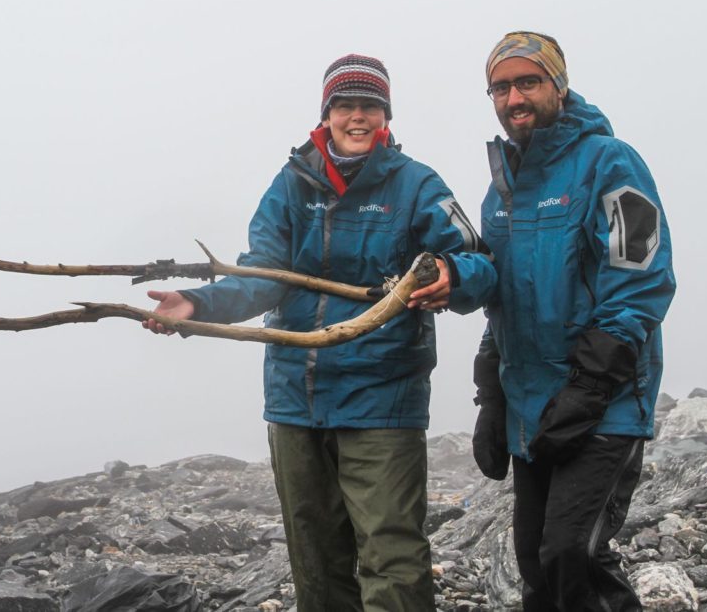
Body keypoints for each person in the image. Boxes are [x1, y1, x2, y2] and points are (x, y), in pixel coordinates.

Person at [143, 54, 496, 611]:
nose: (357, 118)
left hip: (383, 398)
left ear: (386, 116)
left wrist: (454, 275)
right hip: (294, 401)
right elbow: (260, 276)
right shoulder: (291, 185)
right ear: (327, 113)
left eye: (369, 107)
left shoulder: (417, 185)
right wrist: (196, 305)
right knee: (315, 559)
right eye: (345, 106)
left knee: (392, 554)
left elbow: (478, 262)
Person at [471, 32, 676, 611]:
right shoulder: (501, 190)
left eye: (528, 82)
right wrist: (492, 398)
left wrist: (588, 388)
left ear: (558, 86)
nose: (514, 97)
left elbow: (640, 280)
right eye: (501, 87)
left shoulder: (610, 162)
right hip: (533, 405)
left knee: (572, 552)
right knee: (537, 559)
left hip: (605, 402)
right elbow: (501, 301)